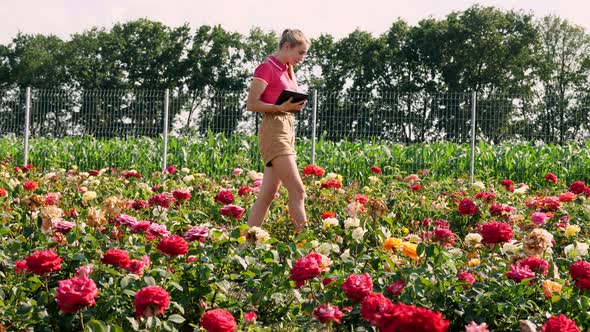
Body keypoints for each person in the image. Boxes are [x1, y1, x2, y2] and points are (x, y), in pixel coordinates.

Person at [245, 29, 310, 232]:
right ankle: (305, 244)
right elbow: (252, 104)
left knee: (267, 195)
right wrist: (279, 108)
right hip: (274, 130)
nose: (302, 58)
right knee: (298, 191)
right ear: (287, 46)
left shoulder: (288, 69)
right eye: (300, 53)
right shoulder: (266, 69)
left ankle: (244, 245)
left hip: (287, 128)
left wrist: (292, 105)